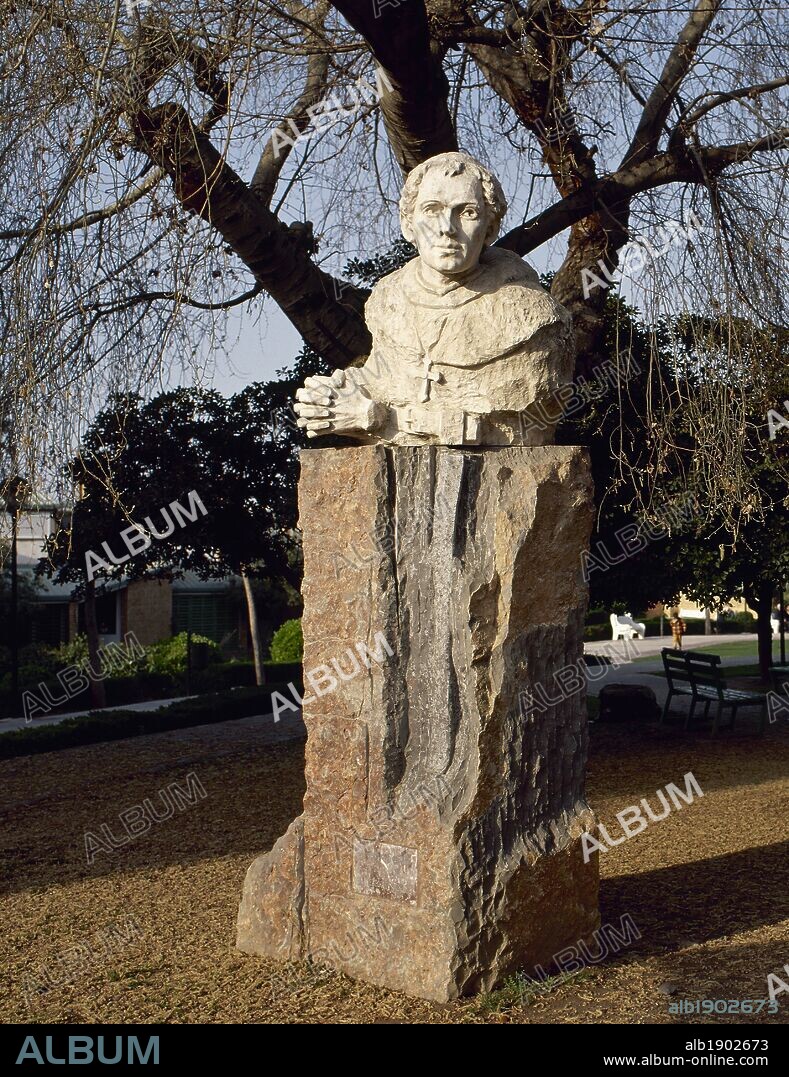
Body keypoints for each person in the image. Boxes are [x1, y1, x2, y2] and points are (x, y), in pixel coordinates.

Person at [293, 151, 574, 446]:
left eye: (467, 212)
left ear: (490, 229)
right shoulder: (387, 300)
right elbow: (382, 377)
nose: (447, 228)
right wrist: (334, 398)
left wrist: (377, 419)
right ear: (408, 225)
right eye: (432, 210)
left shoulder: (535, 319)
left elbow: (521, 427)